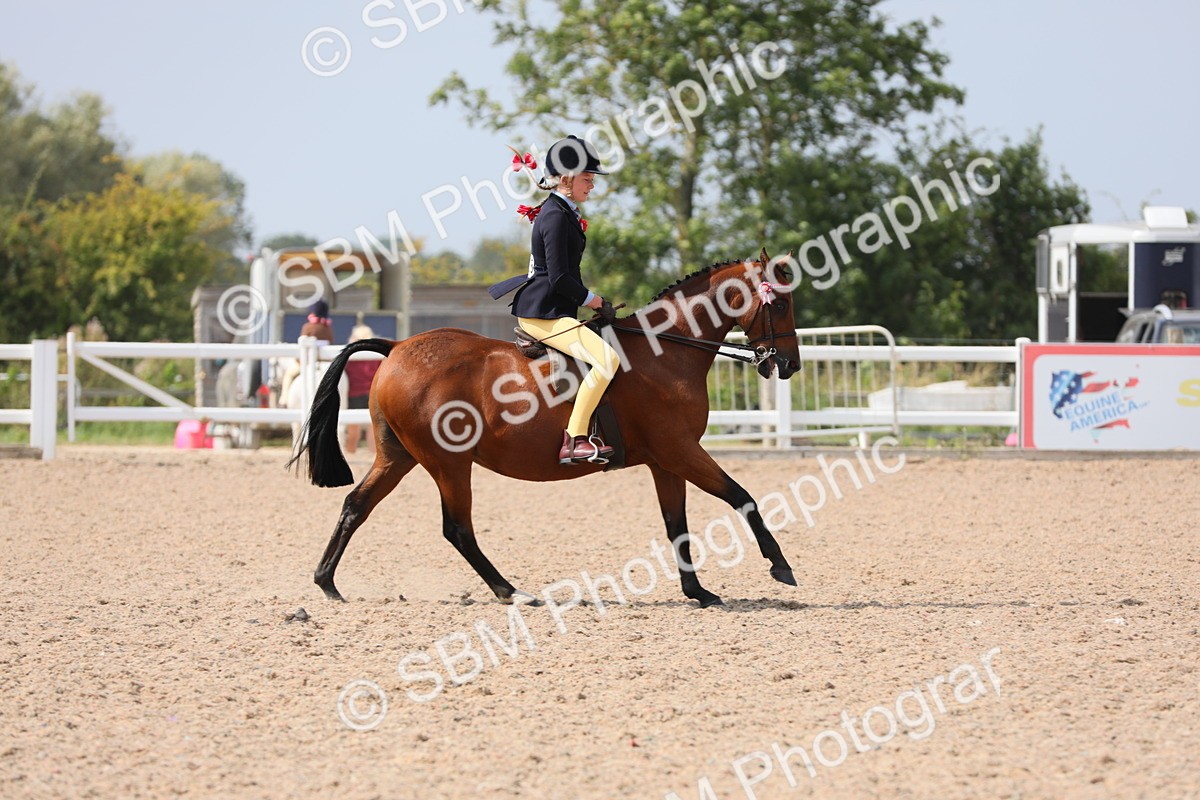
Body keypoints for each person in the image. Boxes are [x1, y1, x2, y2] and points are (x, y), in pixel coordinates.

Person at [489, 135, 621, 465]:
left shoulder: (562, 211)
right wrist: (594, 301)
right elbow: (561, 278)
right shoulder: (556, 216)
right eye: (587, 179)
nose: (591, 186)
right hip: (543, 313)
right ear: (566, 179)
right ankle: (575, 439)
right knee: (608, 361)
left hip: (553, 307)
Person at [280, 299, 335, 404]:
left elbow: (302, 346)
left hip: (309, 361)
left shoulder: (307, 327)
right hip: (325, 361)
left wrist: (298, 360)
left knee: (289, 374)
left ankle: (284, 399)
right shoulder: (328, 328)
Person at [344, 322, 380, 454]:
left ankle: (350, 454)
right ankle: (373, 457)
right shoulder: (376, 355)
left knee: (353, 431)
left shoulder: (350, 356)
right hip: (373, 394)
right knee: (374, 431)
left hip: (354, 394)